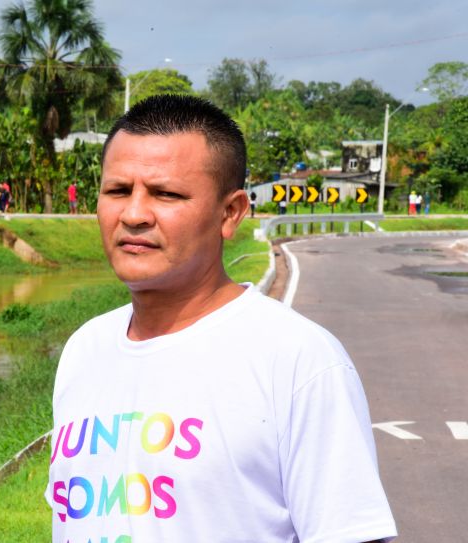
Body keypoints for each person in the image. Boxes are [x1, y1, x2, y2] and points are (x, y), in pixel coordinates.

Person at [46, 95, 396, 543]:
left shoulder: (298, 360)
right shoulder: (84, 350)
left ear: (230, 213)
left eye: (165, 194)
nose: (133, 214)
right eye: (117, 191)